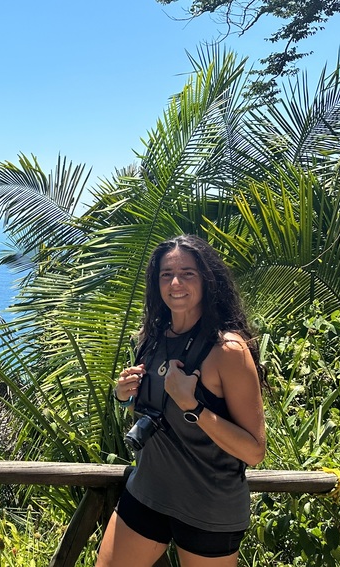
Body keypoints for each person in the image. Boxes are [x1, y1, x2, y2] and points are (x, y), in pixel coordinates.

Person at [96, 234, 266, 567]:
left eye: (187, 273)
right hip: (147, 492)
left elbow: (254, 452)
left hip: (208, 508)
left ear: (207, 279)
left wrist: (194, 406)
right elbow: (152, 414)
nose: (176, 283)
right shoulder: (151, 337)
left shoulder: (228, 350)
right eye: (167, 274)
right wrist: (124, 396)